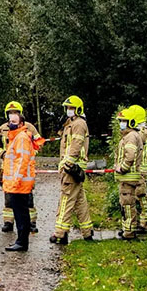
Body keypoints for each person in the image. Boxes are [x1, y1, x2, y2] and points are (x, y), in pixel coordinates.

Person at [50, 94, 94, 244]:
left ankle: (60, 233)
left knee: (66, 199)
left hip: (72, 167)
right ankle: (87, 232)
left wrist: (65, 164)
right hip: (74, 166)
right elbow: (65, 140)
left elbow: (75, 146)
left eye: (71, 108)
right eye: (67, 108)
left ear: (78, 109)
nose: (69, 110)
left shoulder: (79, 124)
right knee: (80, 201)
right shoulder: (72, 123)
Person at [1, 106, 46, 252]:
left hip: (19, 184)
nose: (10, 124)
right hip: (18, 183)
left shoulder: (21, 138)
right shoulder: (18, 137)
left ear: (21, 124)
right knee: (21, 213)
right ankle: (21, 241)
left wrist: (15, 180)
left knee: (21, 214)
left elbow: (22, 161)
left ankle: (22, 242)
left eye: (14, 121)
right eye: (9, 121)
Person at [0, 100, 41, 233]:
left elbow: (39, 142)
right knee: (9, 197)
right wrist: (1, 153)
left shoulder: (29, 128)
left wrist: (31, 153)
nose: (12, 115)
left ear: (20, 114)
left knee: (27, 198)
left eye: (15, 113)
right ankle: (8, 222)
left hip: (24, 169)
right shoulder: (2, 129)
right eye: (10, 113)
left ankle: (31, 223)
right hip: (7, 169)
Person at [113, 106, 147, 240]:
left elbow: (130, 155)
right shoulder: (129, 135)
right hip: (128, 177)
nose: (121, 123)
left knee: (127, 205)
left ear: (130, 122)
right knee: (127, 204)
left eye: (123, 121)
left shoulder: (131, 136)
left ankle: (128, 232)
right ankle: (128, 229)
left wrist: (122, 168)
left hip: (128, 176)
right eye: (120, 121)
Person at [130, 105, 147, 232]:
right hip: (141, 169)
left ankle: (146, 222)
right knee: (140, 195)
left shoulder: (141, 133)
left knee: (141, 195)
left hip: (140, 170)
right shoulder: (144, 131)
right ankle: (144, 220)